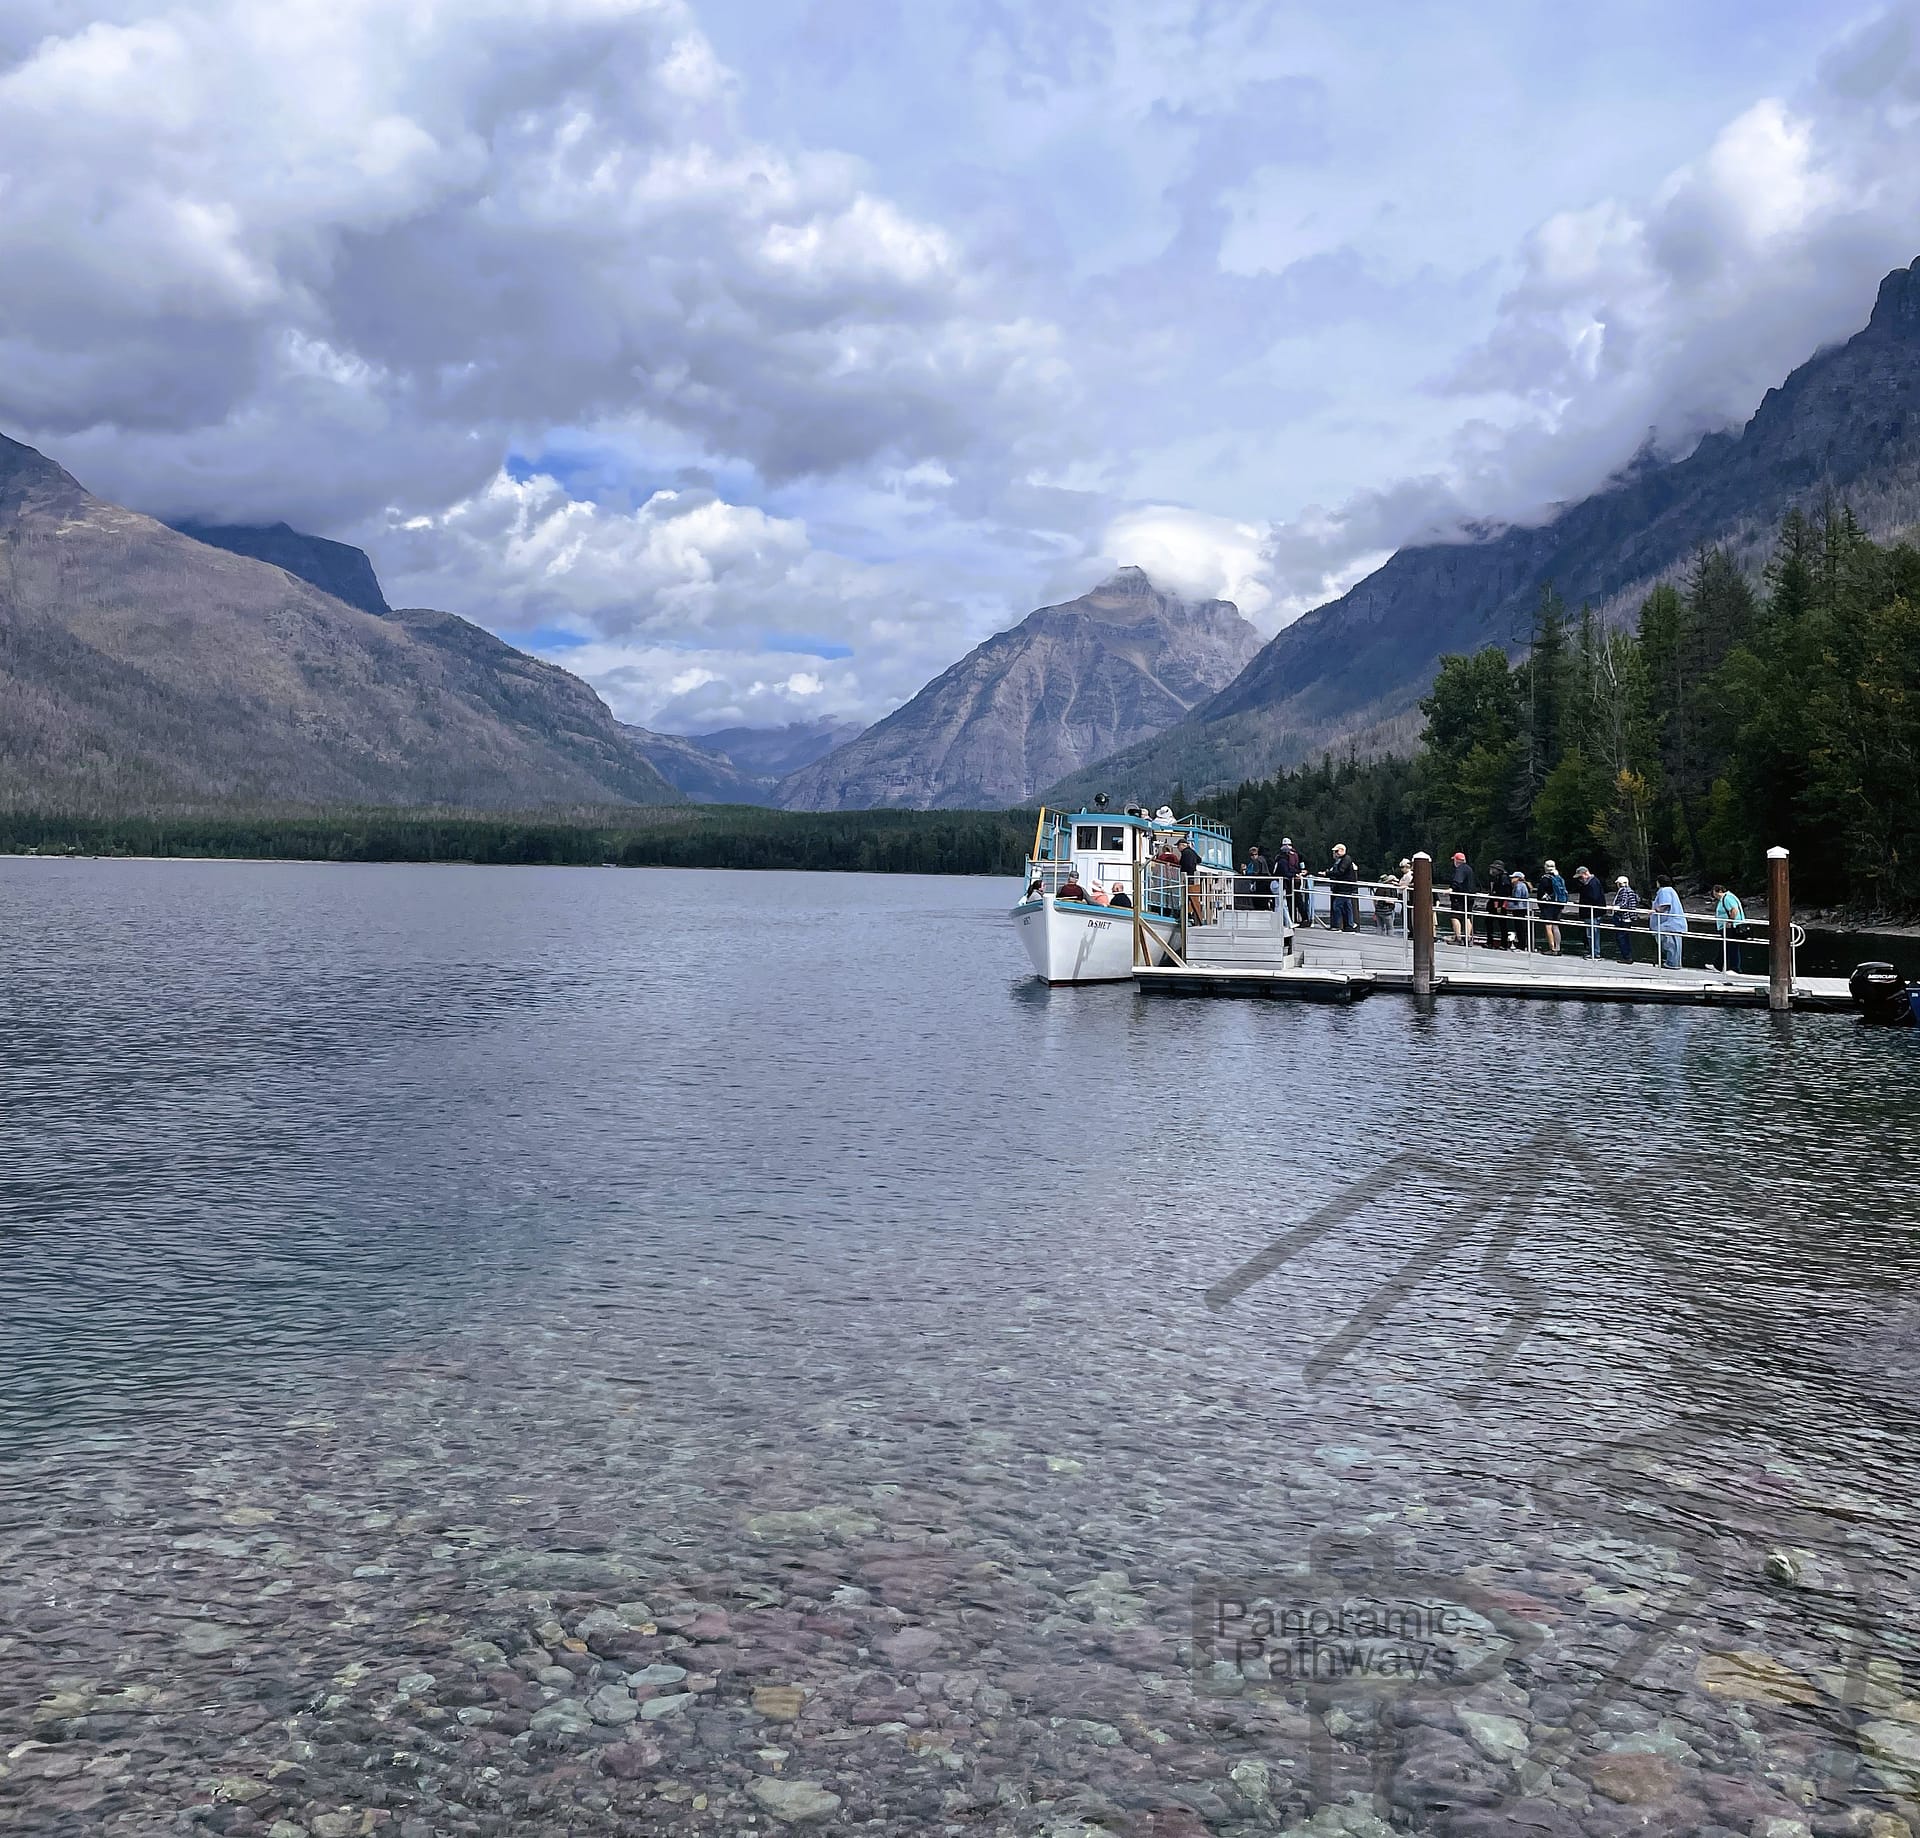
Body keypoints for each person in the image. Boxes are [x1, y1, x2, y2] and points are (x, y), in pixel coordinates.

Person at [1650, 875, 1687, 969]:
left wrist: (1655, 910)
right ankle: (1673, 962)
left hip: (1669, 924)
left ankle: (1672, 963)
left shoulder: (1664, 891)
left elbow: (1665, 904)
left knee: (1670, 944)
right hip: (1674, 923)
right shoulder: (1671, 890)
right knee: (1674, 944)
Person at [1712, 883, 1746, 973]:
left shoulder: (1727, 898)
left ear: (1719, 891)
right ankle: (1717, 966)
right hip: (1726, 927)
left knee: (1732, 946)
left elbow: (1734, 910)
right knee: (1724, 946)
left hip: (1731, 927)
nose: (1714, 895)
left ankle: (1735, 968)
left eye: (1714, 893)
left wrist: (1730, 921)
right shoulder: (1725, 898)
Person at [1574, 865, 1606, 958]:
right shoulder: (1591, 883)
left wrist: (1583, 902)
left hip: (1593, 913)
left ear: (1585, 873)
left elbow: (1594, 898)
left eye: (1580, 877)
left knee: (1592, 933)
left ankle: (1595, 953)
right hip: (1591, 912)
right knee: (1591, 933)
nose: (1580, 880)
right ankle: (1594, 952)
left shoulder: (1593, 883)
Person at [1326, 843, 1360, 932]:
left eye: (1336, 851)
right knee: (1347, 906)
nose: (1334, 853)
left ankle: (1337, 925)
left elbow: (1340, 872)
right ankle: (1349, 925)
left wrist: (1328, 873)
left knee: (1337, 906)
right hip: (1342, 887)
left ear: (1342, 850)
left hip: (1345, 887)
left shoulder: (1346, 859)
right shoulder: (1341, 860)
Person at [1538, 859, 1568, 955]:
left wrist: (1541, 904)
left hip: (1548, 905)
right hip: (1558, 904)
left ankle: (1552, 948)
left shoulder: (1545, 878)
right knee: (1556, 926)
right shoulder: (1558, 877)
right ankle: (1558, 947)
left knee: (1548, 926)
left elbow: (1541, 893)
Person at [1447, 852, 1477, 944]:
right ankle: (1467, 939)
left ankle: (1458, 938)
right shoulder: (1469, 869)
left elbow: (1458, 881)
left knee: (1455, 916)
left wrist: (1451, 889)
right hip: (1470, 897)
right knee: (1467, 916)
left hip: (1459, 898)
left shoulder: (1460, 869)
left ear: (1456, 860)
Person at [1610, 875, 1640, 963]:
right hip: (1629, 918)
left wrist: (1614, 908)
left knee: (1621, 938)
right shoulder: (1631, 891)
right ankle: (1628, 956)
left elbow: (1623, 903)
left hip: (1622, 917)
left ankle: (1626, 957)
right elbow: (1637, 900)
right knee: (1625, 937)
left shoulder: (1624, 890)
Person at [1276, 838, 1305, 925]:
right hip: (1290, 880)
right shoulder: (1284, 858)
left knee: (1294, 900)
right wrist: (1298, 873)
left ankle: (1297, 918)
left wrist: (1299, 872)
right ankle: (1295, 919)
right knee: (1291, 901)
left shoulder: (1281, 857)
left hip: (1291, 880)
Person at [1178, 834, 1204, 926]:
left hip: (1187, 877)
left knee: (1186, 896)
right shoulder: (1192, 852)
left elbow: (1183, 864)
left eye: (1178, 846)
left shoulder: (1185, 853)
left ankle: (1187, 915)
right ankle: (1193, 915)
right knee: (1192, 898)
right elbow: (1199, 860)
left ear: (1182, 846)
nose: (1178, 848)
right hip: (1194, 876)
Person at [1485, 861, 1511, 950]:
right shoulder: (1498, 877)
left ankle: (1503, 943)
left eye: (1493, 869)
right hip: (1495, 904)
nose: (1491, 870)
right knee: (1490, 922)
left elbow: (1504, 893)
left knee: (1502, 924)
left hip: (1500, 905)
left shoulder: (1503, 878)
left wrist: (1499, 906)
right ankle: (1491, 942)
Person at [1507, 867, 1534, 951]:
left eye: (1513, 877)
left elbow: (1517, 897)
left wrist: (1509, 900)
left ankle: (1521, 945)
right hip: (1524, 907)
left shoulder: (1518, 886)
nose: (1512, 879)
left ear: (1518, 878)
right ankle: (1524, 944)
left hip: (1518, 908)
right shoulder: (1524, 885)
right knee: (1522, 927)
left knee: (1519, 927)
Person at [1244, 845, 1272, 911]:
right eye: (1252, 855)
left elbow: (1255, 873)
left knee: (1260, 901)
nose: (1254, 856)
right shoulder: (1254, 863)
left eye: (1255, 854)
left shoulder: (1258, 861)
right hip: (1259, 883)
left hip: (1260, 884)